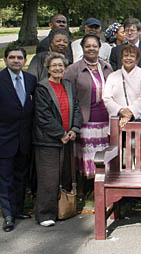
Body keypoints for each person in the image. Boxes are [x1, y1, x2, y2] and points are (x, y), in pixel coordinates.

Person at [33, 52, 82, 227]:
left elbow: (76, 108)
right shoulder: (42, 88)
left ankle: (64, 210)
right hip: (48, 141)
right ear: (48, 69)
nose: (58, 68)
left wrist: (74, 129)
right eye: (54, 66)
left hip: (68, 138)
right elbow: (43, 116)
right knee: (49, 178)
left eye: (61, 65)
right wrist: (60, 133)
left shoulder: (68, 85)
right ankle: (45, 214)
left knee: (65, 176)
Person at [64, 34, 113, 177]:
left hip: (105, 119)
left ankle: (101, 183)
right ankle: (84, 187)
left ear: (99, 48)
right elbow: (69, 95)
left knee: (102, 154)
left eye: (95, 46)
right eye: (88, 46)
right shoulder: (74, 69)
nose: (91, 49)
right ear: (82, 48)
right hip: (86, 120)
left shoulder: (106, 67)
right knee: (87, 155)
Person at [0, 46, 37, 232]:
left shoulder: (30, 80)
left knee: (21, 177)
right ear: (6, 59)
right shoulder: (0, 80)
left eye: (19, 57)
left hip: (24, 139)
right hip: (4, 139)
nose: (16, 60)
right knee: (5, 179)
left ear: (24, 60)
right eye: (12, 57)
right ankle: (8, 215)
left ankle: (19, 209)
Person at [103, 44, 141, 127]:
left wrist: (130, 112)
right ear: (121, 58)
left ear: (137, 59)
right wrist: (120, 110)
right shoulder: (112, 76)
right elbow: (106, 98)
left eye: (132, 56)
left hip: (137, 119)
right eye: (126, 55)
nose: (128, 58)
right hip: (117, 119)